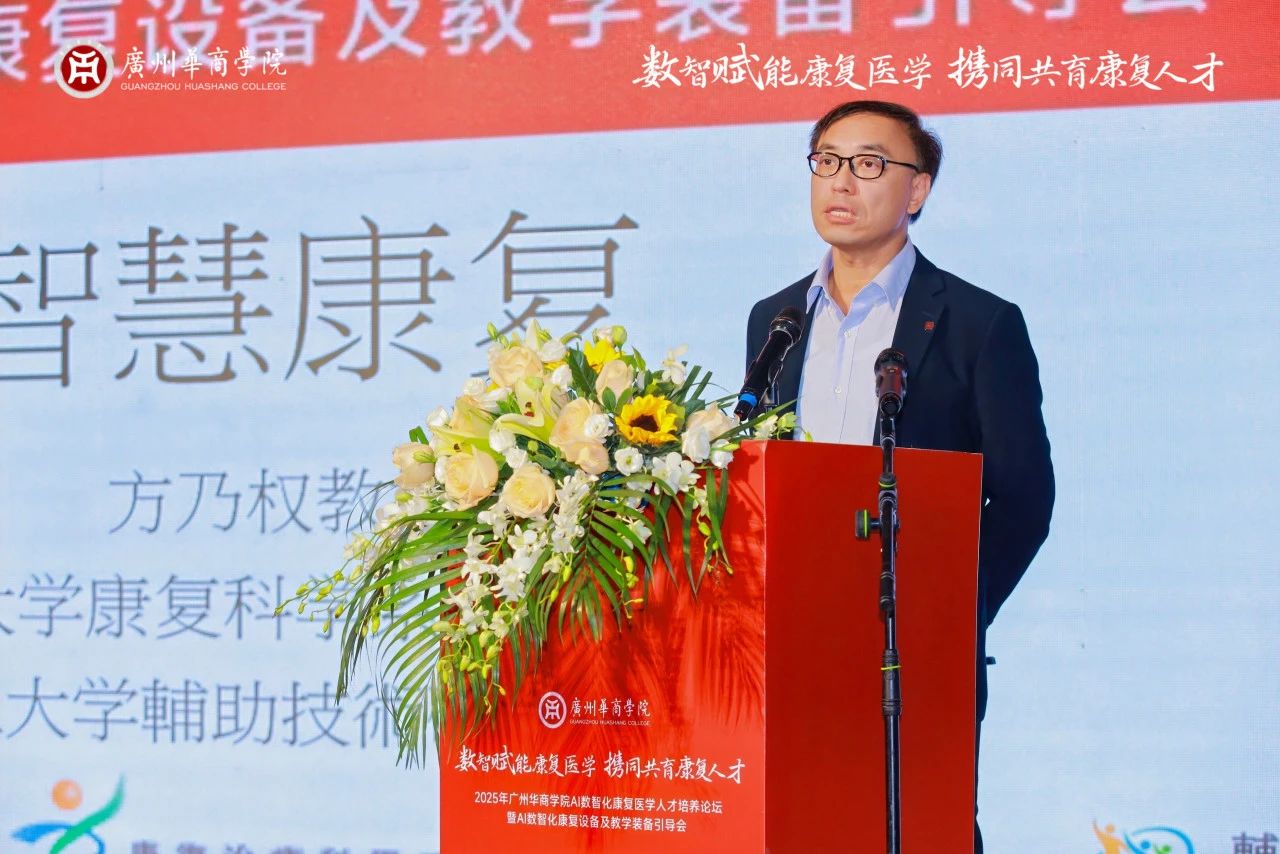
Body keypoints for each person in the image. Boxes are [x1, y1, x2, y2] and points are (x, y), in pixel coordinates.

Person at [745, 100, 1055, 852]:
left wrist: (947, 610)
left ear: (917, 190)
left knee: (919, 825)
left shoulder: (979, 323)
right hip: (789, 646)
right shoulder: (775, 320)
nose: (841, 182)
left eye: (869, 164)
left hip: (914, 651)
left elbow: (1024, 497)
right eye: (827, 161)